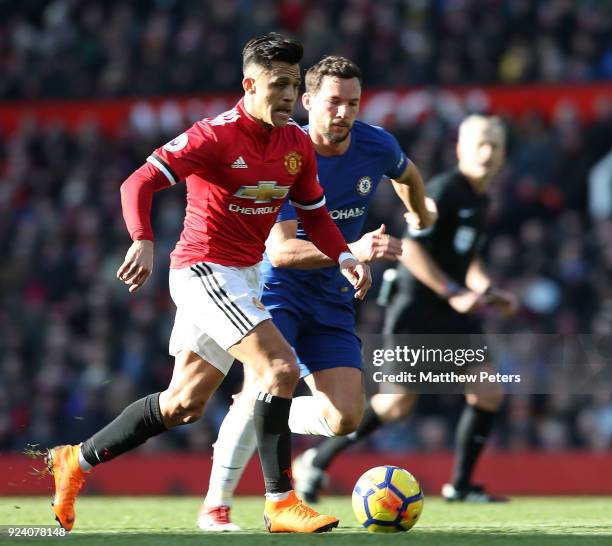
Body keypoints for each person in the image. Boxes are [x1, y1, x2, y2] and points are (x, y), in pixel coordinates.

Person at [44, 33, 372, 534]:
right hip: (202, 271)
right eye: (277, 84)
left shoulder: (296, 143)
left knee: (184, 404)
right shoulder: (215, 135)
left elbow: (315, 212)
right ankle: (280, 502)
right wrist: (142, 238)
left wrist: (344, 254)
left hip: (244, 276)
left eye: (292, 84)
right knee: (279, 367)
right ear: (249, 85)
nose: (287, 95)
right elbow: (138, 181)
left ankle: (76, 460)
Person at [197, 55, 435, 531]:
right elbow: (282, 252)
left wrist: (420, 217)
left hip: (332, 297)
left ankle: (261, 411)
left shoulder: (375, 143)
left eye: (352, 103)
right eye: (332, 102)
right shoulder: (283, 152)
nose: (343, 113)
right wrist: (355, 248)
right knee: (264, 386)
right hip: (277, 291)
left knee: (346, 417)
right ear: (307, 102)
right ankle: (216, 505)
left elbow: (406, 175)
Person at [293, 114, 519, 504]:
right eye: (479, 143)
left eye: (495, 146)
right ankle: (316, 458)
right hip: (417, 310)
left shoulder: (481, 199)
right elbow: (410, 247)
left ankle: (461, 487)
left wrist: (487, 289)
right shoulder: (446, 189)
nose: (487, 152)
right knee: (396, 404)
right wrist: (451, 291)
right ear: (460, 149)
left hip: (451, 313)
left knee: (488, 391)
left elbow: (468, 258)